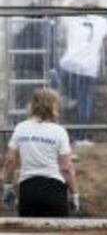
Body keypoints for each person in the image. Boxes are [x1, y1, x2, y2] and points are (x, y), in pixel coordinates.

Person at [2, 88, 79, 217]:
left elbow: (10, 161)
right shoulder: (59, 131)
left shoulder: (21, 128)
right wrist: (74, 193)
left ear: (32, 105)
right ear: (54, 106)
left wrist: (7, 185)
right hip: (54, 190)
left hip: (28, 190)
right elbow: (66, 168)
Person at [58, 12, 107, 136]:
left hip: (69, 65)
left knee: (69, 96)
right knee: (85, 101)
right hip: (88, 68)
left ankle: (70, 100)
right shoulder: (103, 22)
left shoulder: (71, 18)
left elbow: (61, 15)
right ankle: (80, 135)